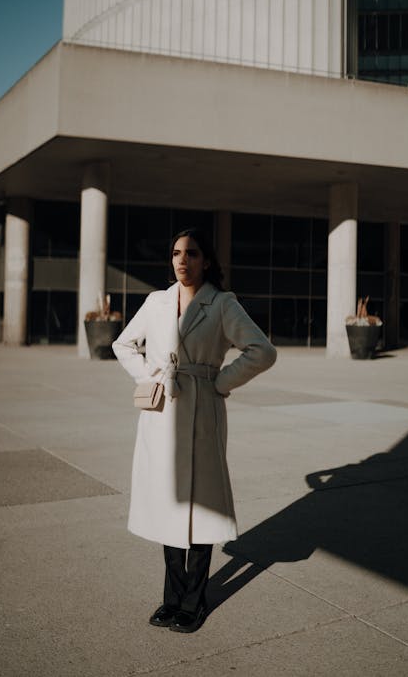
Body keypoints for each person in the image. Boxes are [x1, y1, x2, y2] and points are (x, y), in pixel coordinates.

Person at [112, 227, 277, 633]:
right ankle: (172, 598)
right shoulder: (156, 301)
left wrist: (221, 383)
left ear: (207, 261)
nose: (182, 260)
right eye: (175, 253)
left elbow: (262, 351)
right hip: (162, 412)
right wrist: (149, 373)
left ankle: (194, 600)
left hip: (203, 410)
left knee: (201, 504)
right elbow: (122, 345)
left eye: (191, 253)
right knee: (167, 501)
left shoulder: (222, 304)